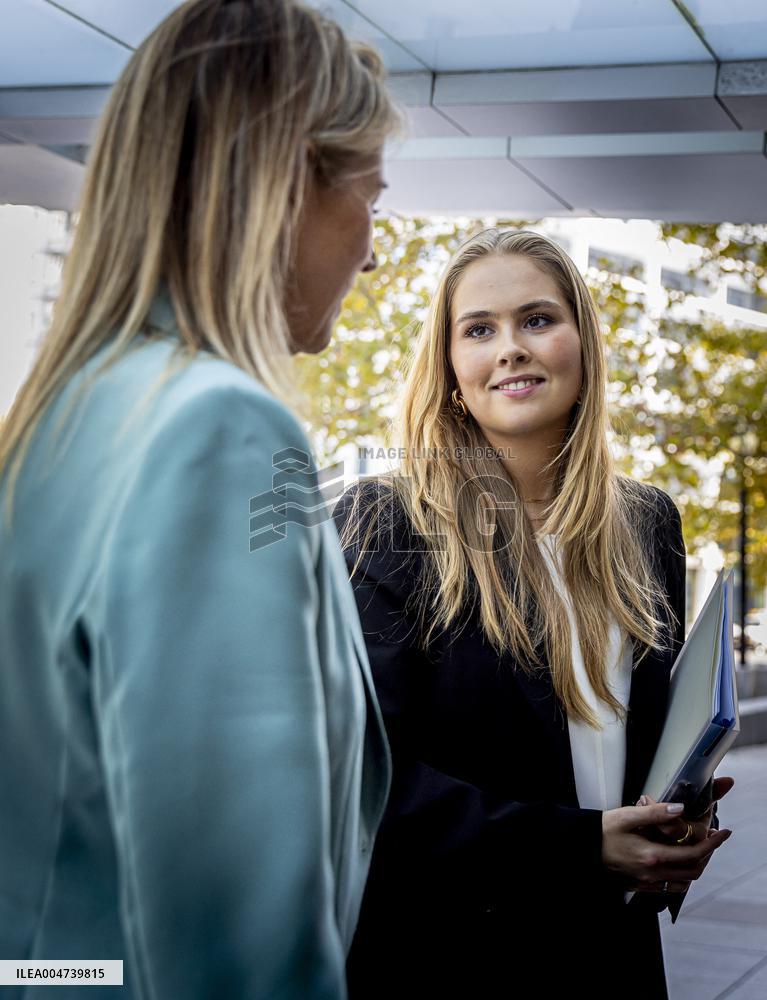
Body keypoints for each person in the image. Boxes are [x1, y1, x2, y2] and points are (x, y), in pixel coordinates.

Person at [0, 2, 401, 997]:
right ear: (291, 180)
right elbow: (237, 947)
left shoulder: (67, 414)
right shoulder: (217, 429)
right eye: (371, 203)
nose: (372, 251)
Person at [333, 229, 734, 999]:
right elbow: (358, 782)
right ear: (451, 369)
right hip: (446, 956)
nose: (509, 347)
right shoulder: (384, 521)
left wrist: (673, 810)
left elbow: (622, 741)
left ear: (582, 347)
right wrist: (579, 846)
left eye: (537, 320)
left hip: (609, 954)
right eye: (478, 330)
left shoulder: (647, 522)